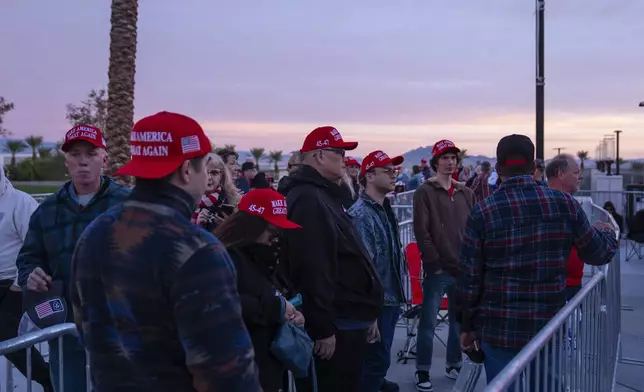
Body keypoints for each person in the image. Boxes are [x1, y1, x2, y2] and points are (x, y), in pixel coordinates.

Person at [68, 112, 262, 391]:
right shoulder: (197, 250)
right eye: (204, 168)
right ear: (186, 170)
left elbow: (86, 327)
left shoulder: (93, 235)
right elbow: (227, 372)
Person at [456, 135, 618, 391]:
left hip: (498, 327)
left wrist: (466, 326)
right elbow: (598, 253)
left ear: (498, 169)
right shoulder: (564, 204)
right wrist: (608, 232)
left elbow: (469, 279)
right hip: (547, 326)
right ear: (533, 167)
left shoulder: (482, 212)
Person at [17, 124, 130, 392]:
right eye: (75, 154)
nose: (82, 161)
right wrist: (31, 275)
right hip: (66, 330)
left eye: (90, 153)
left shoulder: (127, 204)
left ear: (104, 158)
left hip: (120, 328)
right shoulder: (47, 210)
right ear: (66, 160)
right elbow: (28, 259)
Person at [281, 126, 384, 392]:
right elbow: (313, 267)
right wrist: (323, 328)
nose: (344, 158)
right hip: (336, 325)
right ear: (317, 156)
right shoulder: (308, 198)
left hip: (349, 319)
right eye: (338, 152)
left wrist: (368, 313)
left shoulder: (324, 194)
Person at [214, 188, 305, 392]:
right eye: (272, 232)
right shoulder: (224, 257)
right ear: (252, 227)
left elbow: (271, 293)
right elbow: (222, 304)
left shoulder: (263, 256)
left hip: (267, 365)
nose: (275, 239)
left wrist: (290, 312)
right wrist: (276, 308)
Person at [412, 139, 474, 392]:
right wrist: (434, 263)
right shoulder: (424, 192)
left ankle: (453, 363)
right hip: (438, 271)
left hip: (463, 269)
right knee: (428, 323)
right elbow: (421, 231)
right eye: (445, 157)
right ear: (436, 161)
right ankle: (422, 370)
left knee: (457, 322)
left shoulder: (466, 193)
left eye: (453, 158)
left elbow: (473, 229)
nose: (450, 162)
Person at [348, 151, 406, 392]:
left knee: (378, 362)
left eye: (395, 171)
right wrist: (369, 313)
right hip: (377, 304)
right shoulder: (361, 215)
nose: (394, 175)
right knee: (374, 362)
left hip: (388, 299)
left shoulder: (383, 208)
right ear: (369, 176)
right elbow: (363, 269)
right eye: (388, 171)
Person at [0, 164, 53, 392]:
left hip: (15, 282)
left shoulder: (20, 203)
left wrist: (18, 284)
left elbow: (37, 248)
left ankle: (48, 379)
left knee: (6, 333)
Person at [545, 154, 585, 300]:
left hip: (570, 284)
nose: (580, 177)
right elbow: (595, 249)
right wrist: (607, 233)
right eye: (575, 173)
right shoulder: (560, 207)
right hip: (562, 288)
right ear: (560, 174)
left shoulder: (569, 205)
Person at [192, 154, 241, 231]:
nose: (209, 177)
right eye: (204, 172)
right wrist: (198, 226)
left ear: (221, 176)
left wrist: (226, 227)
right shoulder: (187, 201)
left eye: (214, 173)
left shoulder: (233, 201)